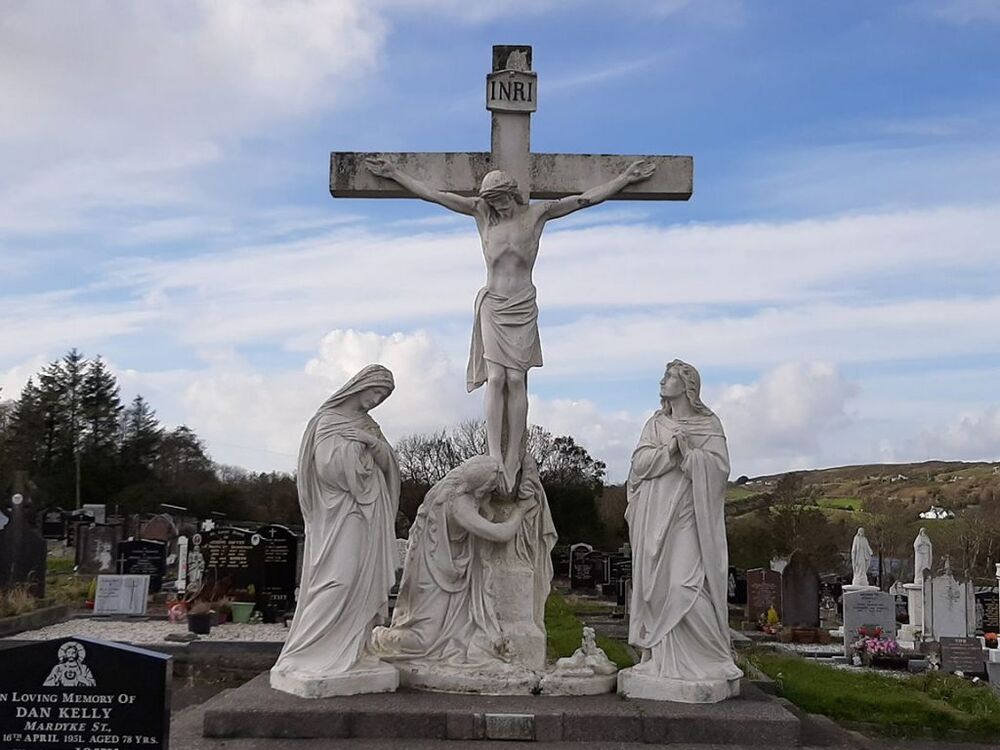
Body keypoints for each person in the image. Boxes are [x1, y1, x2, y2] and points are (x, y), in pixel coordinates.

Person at [364, 157, 656, 490]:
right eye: (491, 201)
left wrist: (625, 178)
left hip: (522, 305)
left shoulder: (537, 215)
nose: (497, 206)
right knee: (497, 377)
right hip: (493, 303)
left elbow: (585, 199)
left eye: (500, 200)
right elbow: (435, 195)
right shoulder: (481, 215)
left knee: (517, 379)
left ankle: (515, 454)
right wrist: (395, 174)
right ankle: (494, 455)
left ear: (511, 194)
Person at [270, 365, 400, 693]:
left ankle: (353, 650)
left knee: (362, 580)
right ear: (361, 386)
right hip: (340, 513)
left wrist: (372, 444)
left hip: (368, 512)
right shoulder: (328, 421)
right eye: (376, 392)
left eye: (383, 397)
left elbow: (390, 466)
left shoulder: (370, 425)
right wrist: (357, 460)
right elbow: (328, 469)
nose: (376, 400)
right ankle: (307, 652)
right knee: (338, 580)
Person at [620, 360, 742, 702]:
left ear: (688, 385)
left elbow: (718, 472)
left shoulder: (708, 424)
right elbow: (639, 467)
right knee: (655, 590)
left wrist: (691, 455)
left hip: (689, 515)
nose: (663, 380)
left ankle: (712, 658)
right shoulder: (655, 424)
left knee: (684, 584)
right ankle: (660, 658)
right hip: (654, 516)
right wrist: (669, 450)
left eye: (670, 376)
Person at [372, 455, 537, 667]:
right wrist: (521, 510)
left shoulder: (454, 485)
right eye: (490, 488)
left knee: (435, 635)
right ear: (480, 485)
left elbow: (484, 513)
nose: (491, 493)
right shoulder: (459, 504)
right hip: (434, 576)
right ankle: (377, 637)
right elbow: (500, 533)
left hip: (445, 572)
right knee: (424, 640)